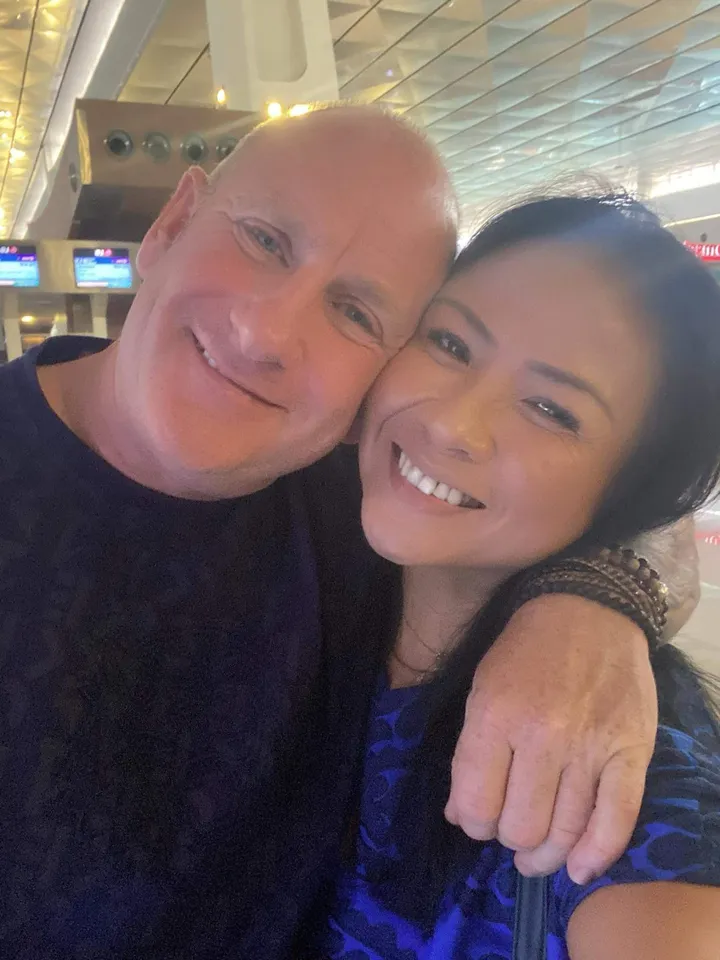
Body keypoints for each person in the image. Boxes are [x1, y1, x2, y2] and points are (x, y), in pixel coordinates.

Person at [0, 106, 692, 958]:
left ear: (382, 370)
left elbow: (633, 496)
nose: (266, 334)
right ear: (172, 224)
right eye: (264, 240)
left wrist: (591, 601)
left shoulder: (363, 506)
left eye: (357, 314)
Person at [317, 193, 720, 960]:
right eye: (450, 342)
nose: (452, 423)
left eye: (550, 408)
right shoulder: (305, 566)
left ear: (631, 492)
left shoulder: (610, 755)